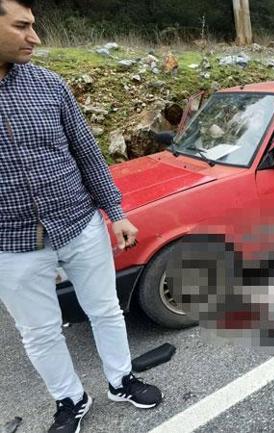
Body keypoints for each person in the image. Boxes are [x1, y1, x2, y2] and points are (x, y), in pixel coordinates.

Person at [0, 1, 162, 432]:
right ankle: (70, 399)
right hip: (10, 245)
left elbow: (87, 154)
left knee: (106, 309)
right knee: (39, 332)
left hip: (79, 224)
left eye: (33, 26)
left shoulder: (49, 86)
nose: (34, 37)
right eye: (22, 27)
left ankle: (120, 379)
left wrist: (116, 212)